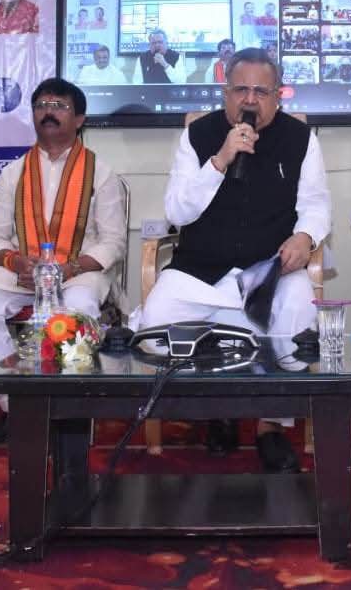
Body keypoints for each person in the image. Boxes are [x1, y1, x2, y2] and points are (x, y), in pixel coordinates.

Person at [131, 47, 331, 473]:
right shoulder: (198, 136)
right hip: (201, 268)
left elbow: (315, 205)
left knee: (298, 311)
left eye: (261, 91)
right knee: (155, 325)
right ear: (225, 92)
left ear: (278, 96)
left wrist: (305, 236)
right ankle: (215, 410)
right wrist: (220, 160)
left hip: (270, 268)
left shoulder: (301, 140)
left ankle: (271, 424)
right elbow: (177, 213)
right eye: (241, 90)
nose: (250, 100)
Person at [0, 78, 127, 443]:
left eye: (60, 106)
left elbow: (113, 242)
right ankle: (18, 406)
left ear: (79, 119)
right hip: (25, 272)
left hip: (78, 271)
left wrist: (70, 268)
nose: (49, 112)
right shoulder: (14, 172)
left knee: (77, 312)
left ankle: (65, 413)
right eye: (42, 105)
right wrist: (15, 261)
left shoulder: (101, 172)